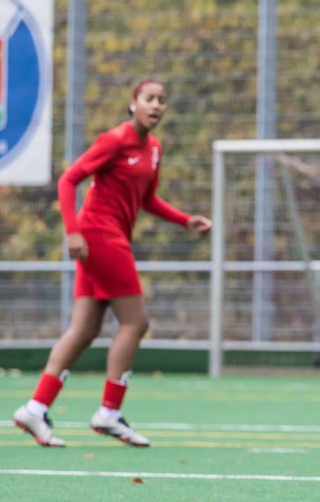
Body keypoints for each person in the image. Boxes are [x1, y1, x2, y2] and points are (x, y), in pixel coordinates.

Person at [13, 80, 211, 448]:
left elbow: (147, 199)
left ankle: (35, 408)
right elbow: (69, 179)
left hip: (110, 238)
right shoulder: (115, 140)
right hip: (99, 236)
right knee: (136, 322)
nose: (156, 105)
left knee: (85, 329)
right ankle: (108, 412)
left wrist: (185, 220)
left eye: (162, 100)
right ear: (132, 103)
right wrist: (72, 232)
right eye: (149, 99)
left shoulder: (154, 148)